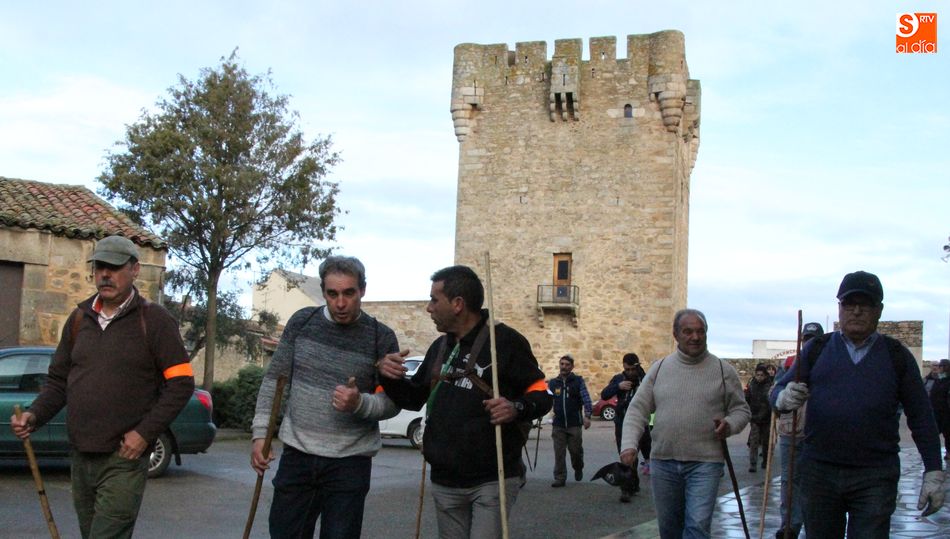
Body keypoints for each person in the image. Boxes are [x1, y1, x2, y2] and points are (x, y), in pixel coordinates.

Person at [10, 235, 195, 539]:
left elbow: (181, 383)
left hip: (124, 457)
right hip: (81, 455)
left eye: (114, 267)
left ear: (134, 269)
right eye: (99, 267)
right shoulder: (79, 319)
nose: (105, 275)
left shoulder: (155, 321)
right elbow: (58, 381)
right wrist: (34, 415)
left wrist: (144, 434)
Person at [377, 265, 552, 538]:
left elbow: (541, 394)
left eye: (435, 300)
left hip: (493, 478)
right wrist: (388, 376)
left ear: (457, 304)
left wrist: (516, 408)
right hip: (445, 478)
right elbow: (413, 399)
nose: (429, 308)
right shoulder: (439, 348)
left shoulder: (505, 341)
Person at [771, 270, 945, 538]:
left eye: (865, 305)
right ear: (839, 308)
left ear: (879, 310)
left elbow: (922, 417)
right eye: (849, 304)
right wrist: (783, 397)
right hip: (820, 472)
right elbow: (778, 390)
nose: (856, 311)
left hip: (875, 475)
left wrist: (933, 470)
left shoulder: (897, 356)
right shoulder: (817, 349)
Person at [250, 255, 407, 538]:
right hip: (298, 456)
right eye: (332, 294)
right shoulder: (302, 322)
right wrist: (260, 433)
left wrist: (359, 403)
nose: (341, 303)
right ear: (323, 291)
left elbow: (392, 404)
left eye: (349, 293)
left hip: (349, 462)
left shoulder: (379, 337)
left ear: (363, 290)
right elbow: (275, 379)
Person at [619, 308, 750, 539]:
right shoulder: (659, 369)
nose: (695, 337)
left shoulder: (722, 371)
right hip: (664, 461)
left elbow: (741, 409)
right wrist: (629, 445)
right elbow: (637, 409)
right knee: (669, 529)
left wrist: (729, 425)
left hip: (706, 463)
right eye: (688, 331)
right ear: (676, 334)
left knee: (697, 527)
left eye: (700, 331)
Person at [773, 321, 823, 539]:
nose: (809, 343)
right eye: (806, 339)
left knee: (816, 482)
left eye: (813, 339)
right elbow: (775, 392)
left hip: (818, 433)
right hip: (790, 430)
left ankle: (815, 525)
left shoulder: (827, 363)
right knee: (789, 480)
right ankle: (790, 526)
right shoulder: (790, 364)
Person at [601, 352, 649, 501]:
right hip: (622, 422)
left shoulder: (645, 379)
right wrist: (618, 386)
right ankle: (627, 489)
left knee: (643, 455)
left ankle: (633, 483)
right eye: (626, 370)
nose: (629, 373)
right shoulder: (619, 379)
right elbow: (604, 395)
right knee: (626, 457)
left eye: (631, 370)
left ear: (637, 367)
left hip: (642, 423)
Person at [547, 354, 593, 487]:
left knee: (575, 451)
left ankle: (578, 467)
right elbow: (547, 400)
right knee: (559, 452)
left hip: (574, 424)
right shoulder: (553, 383)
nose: (564, 367)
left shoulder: (578, 381)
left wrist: (587, 416)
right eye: (562, 364)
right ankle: (560, 478)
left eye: (567, 365)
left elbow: (586, 398)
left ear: (572, 367)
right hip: (558, 424)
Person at [745, 363, 773, 473]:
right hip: (754, 417)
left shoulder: (770, 386)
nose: (759, 377)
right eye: (757, 375)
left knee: (765, 441)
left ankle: (765, 461)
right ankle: (753, 463)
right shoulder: (752, 385)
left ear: (765, 376)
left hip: (766, 417)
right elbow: (747, 398)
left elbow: (768, 403)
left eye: (761, 375)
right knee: (754, 441)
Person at [929, 359, 950, 463]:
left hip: (946, 413)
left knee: (948, 434)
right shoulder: (938, 380)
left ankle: (948, 452)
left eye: (941, 366)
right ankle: (933, 453)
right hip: (936, 412)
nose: (939, 368)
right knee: (933, 433)